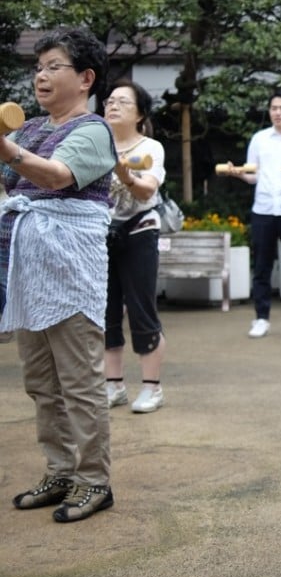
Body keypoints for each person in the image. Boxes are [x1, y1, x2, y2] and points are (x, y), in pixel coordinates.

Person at [1, 27, 116, 522]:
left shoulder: (92, 130)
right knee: (41, 383)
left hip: (69, 271)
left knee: (80, 382)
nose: (41, 76)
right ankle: (60, 470)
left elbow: (53, 176)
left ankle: (94, 482)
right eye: (38, 67)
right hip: (29, 270)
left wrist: (4, 149)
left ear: (86, 78)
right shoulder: (26, 130)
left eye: (54, 66)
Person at [223, 89, 281, 339]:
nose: (277, 112)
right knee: (262, 266)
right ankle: (261, 318)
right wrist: (238, 173)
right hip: (264, 209)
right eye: (273, 108)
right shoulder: (260, 139)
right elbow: (253, 174)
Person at [102, 80, 169, 413]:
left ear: (140, 113)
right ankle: (113, 386)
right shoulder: (96, 144)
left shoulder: (151, 148)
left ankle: (152, 388)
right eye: (110, 101)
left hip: (140, 231)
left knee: (141, 309)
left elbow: (145, 191)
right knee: (105, 310)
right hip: (102, 234)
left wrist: (125, 174)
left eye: (123, 102)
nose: (112, 106)